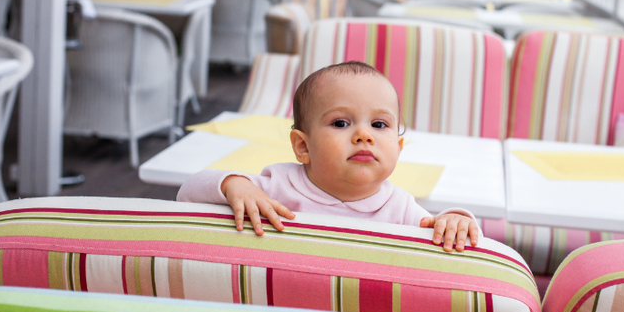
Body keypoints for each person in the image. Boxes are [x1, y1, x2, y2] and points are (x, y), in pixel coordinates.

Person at [177, 61, 482, 252]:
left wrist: (457, 219)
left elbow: (452, 237)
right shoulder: (276, 188)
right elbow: (186, 195)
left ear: (399, 148)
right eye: (340, 123)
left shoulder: (400, 210)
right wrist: (233, 184)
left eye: (379, 124)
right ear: (303, 146)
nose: (364, 135)